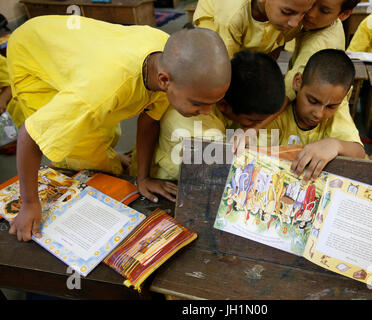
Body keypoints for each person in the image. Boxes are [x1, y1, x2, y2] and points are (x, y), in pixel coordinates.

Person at [8, 15, 231, 242]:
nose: (206, 112)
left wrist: (142, 178)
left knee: (101, 129)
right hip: (31, 53)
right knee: (80, 152)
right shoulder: (100, 92)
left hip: (77, 50)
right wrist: (30, 204)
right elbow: (31, 135)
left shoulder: (168, 62)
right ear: (164, 81)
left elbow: (150, 119)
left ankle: (108, 156)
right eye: (198, 103)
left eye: (213, 102)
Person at [129, 50, 286, 198]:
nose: (254, 126)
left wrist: (251, 128)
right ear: (224, 105)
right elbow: (216, 180)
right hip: (166, 182)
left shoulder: (212, 85)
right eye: (252, 121)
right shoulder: (204, 133)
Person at [265, 49, 370, 183]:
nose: (319, 114)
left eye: (331, 107)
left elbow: (359, 153)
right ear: (298, 82)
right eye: (312, 101)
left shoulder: (337, 116)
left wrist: (335, 145)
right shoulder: (278, 117)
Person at [284, 0, 360, 101]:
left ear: (344, 14)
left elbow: (287, 95)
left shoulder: (318, 46)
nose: (310, 14)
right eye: (311, 2)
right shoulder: (332, 22)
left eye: (324, 11)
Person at [192, 0, 314, 59]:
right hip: (218, 29)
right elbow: (227, 64)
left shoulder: (290, 14)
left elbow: (276, 45)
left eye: (304, 13)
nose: (295, 23)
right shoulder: (233, 16)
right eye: (286, 12)